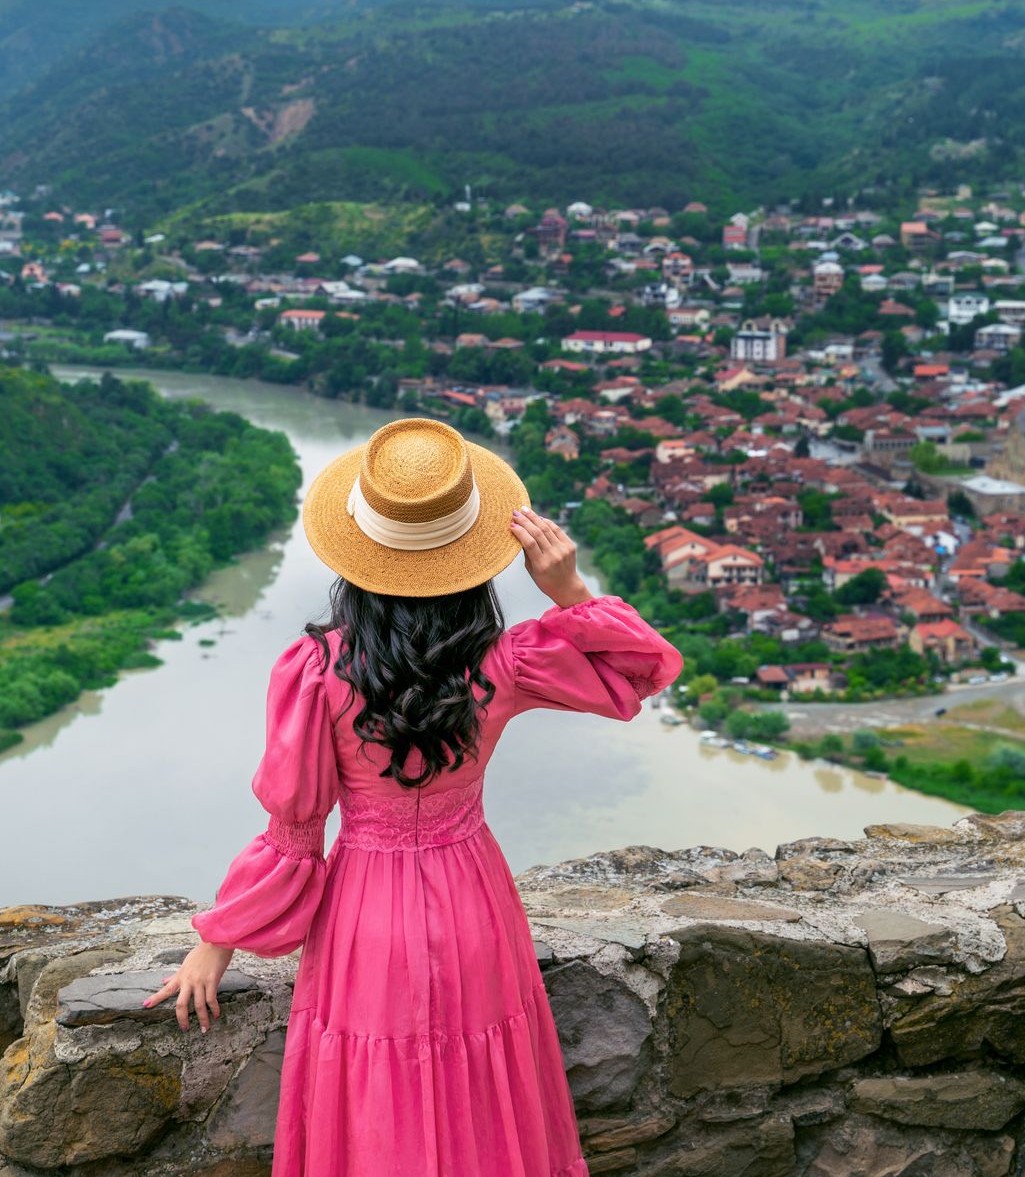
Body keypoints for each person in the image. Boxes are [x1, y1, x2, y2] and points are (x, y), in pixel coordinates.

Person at [146, 417, 681, 1176]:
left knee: (374, 1090)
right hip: (474, 903)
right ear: (473, 556)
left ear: (359, 552)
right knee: (483, 1090)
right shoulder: (507, 661)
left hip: (364, 913)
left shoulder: (317, 668)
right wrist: (568, 590)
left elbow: (293, 836)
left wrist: (215, 941)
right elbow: (639, 675)